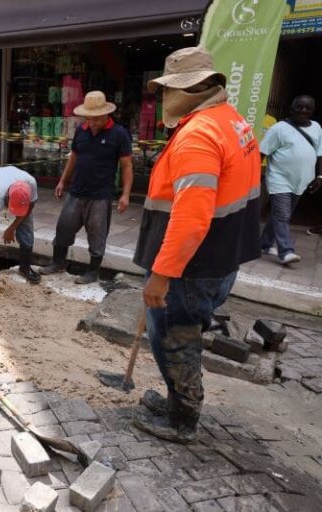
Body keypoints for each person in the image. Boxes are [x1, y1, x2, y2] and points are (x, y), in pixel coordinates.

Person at [132, 46, 261, 443]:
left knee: (175, 336)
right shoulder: (232, 121)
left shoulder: (199, 134)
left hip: (191, 265)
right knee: (185, 330)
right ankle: (176, 398)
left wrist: (161, 274)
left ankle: (182, 418)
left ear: (187, 89)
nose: (163, 98)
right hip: (223, 255)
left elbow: (191, 218)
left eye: (168, 89)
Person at [39, 90, 133, 284]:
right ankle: (58, 262)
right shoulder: (81, 130)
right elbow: (73, 157)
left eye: (96, 119)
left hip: (100, 195)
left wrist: (125, 194)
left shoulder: (119, 134)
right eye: (89, 119)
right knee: (64, 228)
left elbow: (126, 165)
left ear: (106, 114)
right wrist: (62, 181)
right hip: (76, 191)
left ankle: (92, 272)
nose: (92, 123)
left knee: (97, 235)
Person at [259, 95, 322, 264]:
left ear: (312, 110)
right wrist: (255, 174)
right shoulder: (279, 128)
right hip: (279, 178)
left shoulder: (316, 128)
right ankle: (286, 251)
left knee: (279, 215)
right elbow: (262, 152)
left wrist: (319, 176)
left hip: (301, 181)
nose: (303, 110)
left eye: (307, 108)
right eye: (299, 107)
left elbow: (319, 154)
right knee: (283, 214)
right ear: (291, 108)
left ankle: (264, 244)